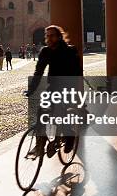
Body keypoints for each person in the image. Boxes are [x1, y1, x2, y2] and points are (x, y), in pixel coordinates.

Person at [26, 25, 83, 158]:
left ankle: (70, 137)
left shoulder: (70, 51)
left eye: (52, 35)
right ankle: (40, 143)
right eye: (47, 36)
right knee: (41, 112)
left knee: (60, 116)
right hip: (53, 87)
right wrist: (31, 90)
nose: (49, 38)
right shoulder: (45, 51)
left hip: (68, 87)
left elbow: (77, 72)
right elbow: (38, 72)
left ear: (59, 37)